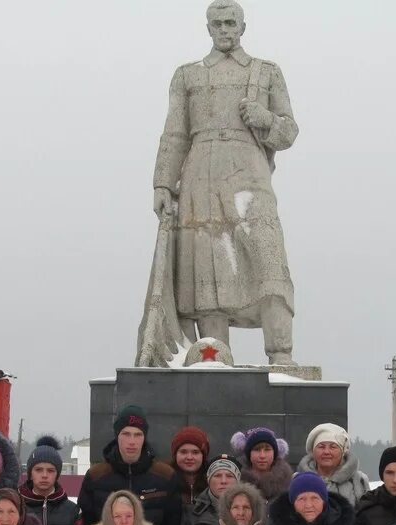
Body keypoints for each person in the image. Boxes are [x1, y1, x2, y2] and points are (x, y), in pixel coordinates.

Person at [147, 0, 299, 366]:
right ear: (208, 28)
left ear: (243, 27)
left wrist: (264, 118)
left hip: (249, 171)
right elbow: (174, 133)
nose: (225, 29)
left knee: (268, 258)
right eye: (218, 23)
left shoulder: (266, 72)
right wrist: (163, 184)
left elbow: (289, 131)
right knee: (208, 268)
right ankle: (215, 356)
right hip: (200, 172)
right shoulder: (188, 75)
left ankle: (281, 356)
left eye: (232, 22)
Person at [78, 405, 183, 525]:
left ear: (144, 437)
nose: (132, 441)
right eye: (126, 434)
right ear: (117, 436)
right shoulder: (96, 476)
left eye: (138, 434)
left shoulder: (165, 476)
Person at [18, 435, 84, 525]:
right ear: (30, 473)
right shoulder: (16, 507)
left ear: (57, 474)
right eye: (38, 470)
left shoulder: (72, 511)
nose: (44, 475)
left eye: (50, 470)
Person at [296, 423, 370, 505]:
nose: (326, 452)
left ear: (343, 451)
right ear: (313, 451)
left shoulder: (358, 480)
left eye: (333, 447)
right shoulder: (297, 480)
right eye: (321, 447)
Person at [231, 426, 293, 501]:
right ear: (249, 454)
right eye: (257, 449)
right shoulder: (233, 479)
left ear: (275, 453)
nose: (262, 456)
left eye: (267, 450)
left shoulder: (289, 483)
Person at [170, 426, 211, 505]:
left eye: (195, 452)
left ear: (203, 456)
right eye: (183, 452)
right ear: (175, 455)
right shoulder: (164, 481)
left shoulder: (214, 482)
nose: (189, 457)